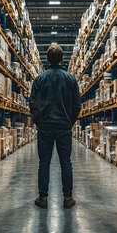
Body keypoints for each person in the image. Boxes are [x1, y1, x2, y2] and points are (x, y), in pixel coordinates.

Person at [29, 44, 81, 209]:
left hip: (45, 127)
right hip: (64, 127)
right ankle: (68, 198)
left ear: (46, 59)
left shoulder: (39, 79)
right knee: (66, 162)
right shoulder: (71, 79)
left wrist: (39, 122)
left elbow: (32, 105)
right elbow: (77, 105)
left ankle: (43, 198)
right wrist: (69, 122)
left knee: (44, 162)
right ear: (62, 59)